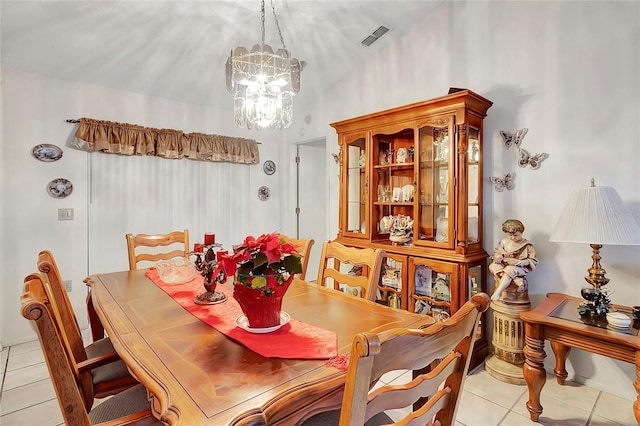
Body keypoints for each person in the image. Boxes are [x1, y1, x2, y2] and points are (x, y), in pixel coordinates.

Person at [489, 219, 538, 302]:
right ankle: (517, 280)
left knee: (509, 269)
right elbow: (497, 253)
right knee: (492, 266)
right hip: (504, 264)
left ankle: (498, 292)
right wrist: (498, 257)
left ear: (521, 232)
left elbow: (533, 260)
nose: (513, 238)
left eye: (516, 235)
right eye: (509, 235)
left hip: (518, 268)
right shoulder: (504, 242)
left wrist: (519, 262)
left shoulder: (527, 245)